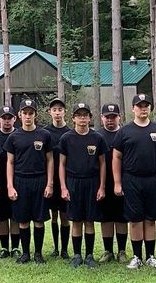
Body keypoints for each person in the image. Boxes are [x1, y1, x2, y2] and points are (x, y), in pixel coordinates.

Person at [114, 94, 156, 269]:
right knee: (135, 220)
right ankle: (137, 256)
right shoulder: (124, 131)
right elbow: (116, 156)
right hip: (132, 179)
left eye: (146, 105)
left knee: (151, 219)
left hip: (154, 179)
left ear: (150, 108)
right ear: (133, 109)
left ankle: (151, 256)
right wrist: (117, 182)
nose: (143, 108)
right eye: (139, 106)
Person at [3, 100, 52, 262]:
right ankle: (25, 253)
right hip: (20, 181)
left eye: (31, 113)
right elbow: (9, 162)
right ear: (19, 116)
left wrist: (49, 183)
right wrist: (10, 186)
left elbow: (50, 160)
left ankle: (38, 253)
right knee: (23, 220)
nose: (28, 116)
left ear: (35, 115)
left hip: (39, 180)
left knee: (39, 220)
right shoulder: (13, 137)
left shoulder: (44, 135)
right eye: (25, 113)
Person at [58, 104, 106, 268]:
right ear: (73, 118)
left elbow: (102, 164)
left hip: (92, 182)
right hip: (73, 182)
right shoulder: (66, 138)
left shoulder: (97, 138)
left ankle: (90, 256)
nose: (82, 118)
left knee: (89, 221)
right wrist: (63, 187)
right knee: (76, 221)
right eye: (79, 115)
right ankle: (77, 255)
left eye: (85, 115)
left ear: (90, 117)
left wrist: (102, 187)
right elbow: (61, 164)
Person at [97, 104, 126, 262]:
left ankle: (122, 251)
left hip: (123, 181)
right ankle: (108, 250)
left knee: (121, 217)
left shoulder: (125, 133)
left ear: (119, 117)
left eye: (113, 116)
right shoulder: (97, 135)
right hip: (103, 183)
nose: (110, 120)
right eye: (107, 117)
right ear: (102, 118)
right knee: (106, 217)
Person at [46, 97, 71, 259]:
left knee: (65, 215)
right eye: (54, 110)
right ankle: (55, 247)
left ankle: (64, 249)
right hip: (49, 179)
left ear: (65, 112)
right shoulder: (45, 132)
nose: (57, 113)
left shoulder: (70, 132)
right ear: (50, 112)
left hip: (66, 179)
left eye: (60, 110)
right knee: (53, 214)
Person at [0, 105, 17, 256]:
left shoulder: (19, 135)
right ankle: (4, 248)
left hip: (17, 181)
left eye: (9, 118)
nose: (7, 121)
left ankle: (15, 247)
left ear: (15, 119)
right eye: (4, 118)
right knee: (1, 216)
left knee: (14, 215)